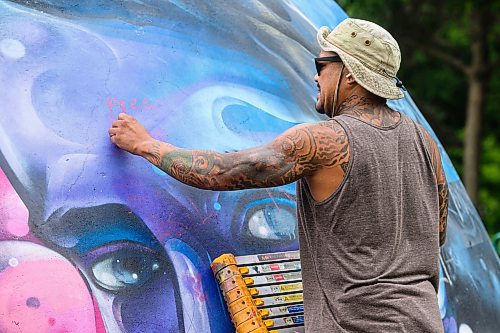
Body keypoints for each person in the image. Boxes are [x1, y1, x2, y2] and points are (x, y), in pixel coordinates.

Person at [109, 18, 448, 333]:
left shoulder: (324, 141)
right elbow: (437, 231)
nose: (316, 77)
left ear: (350, 75)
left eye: (322, 66)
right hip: (423, 320)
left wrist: (145, 144)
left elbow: (224, 172)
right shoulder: (424, 141)